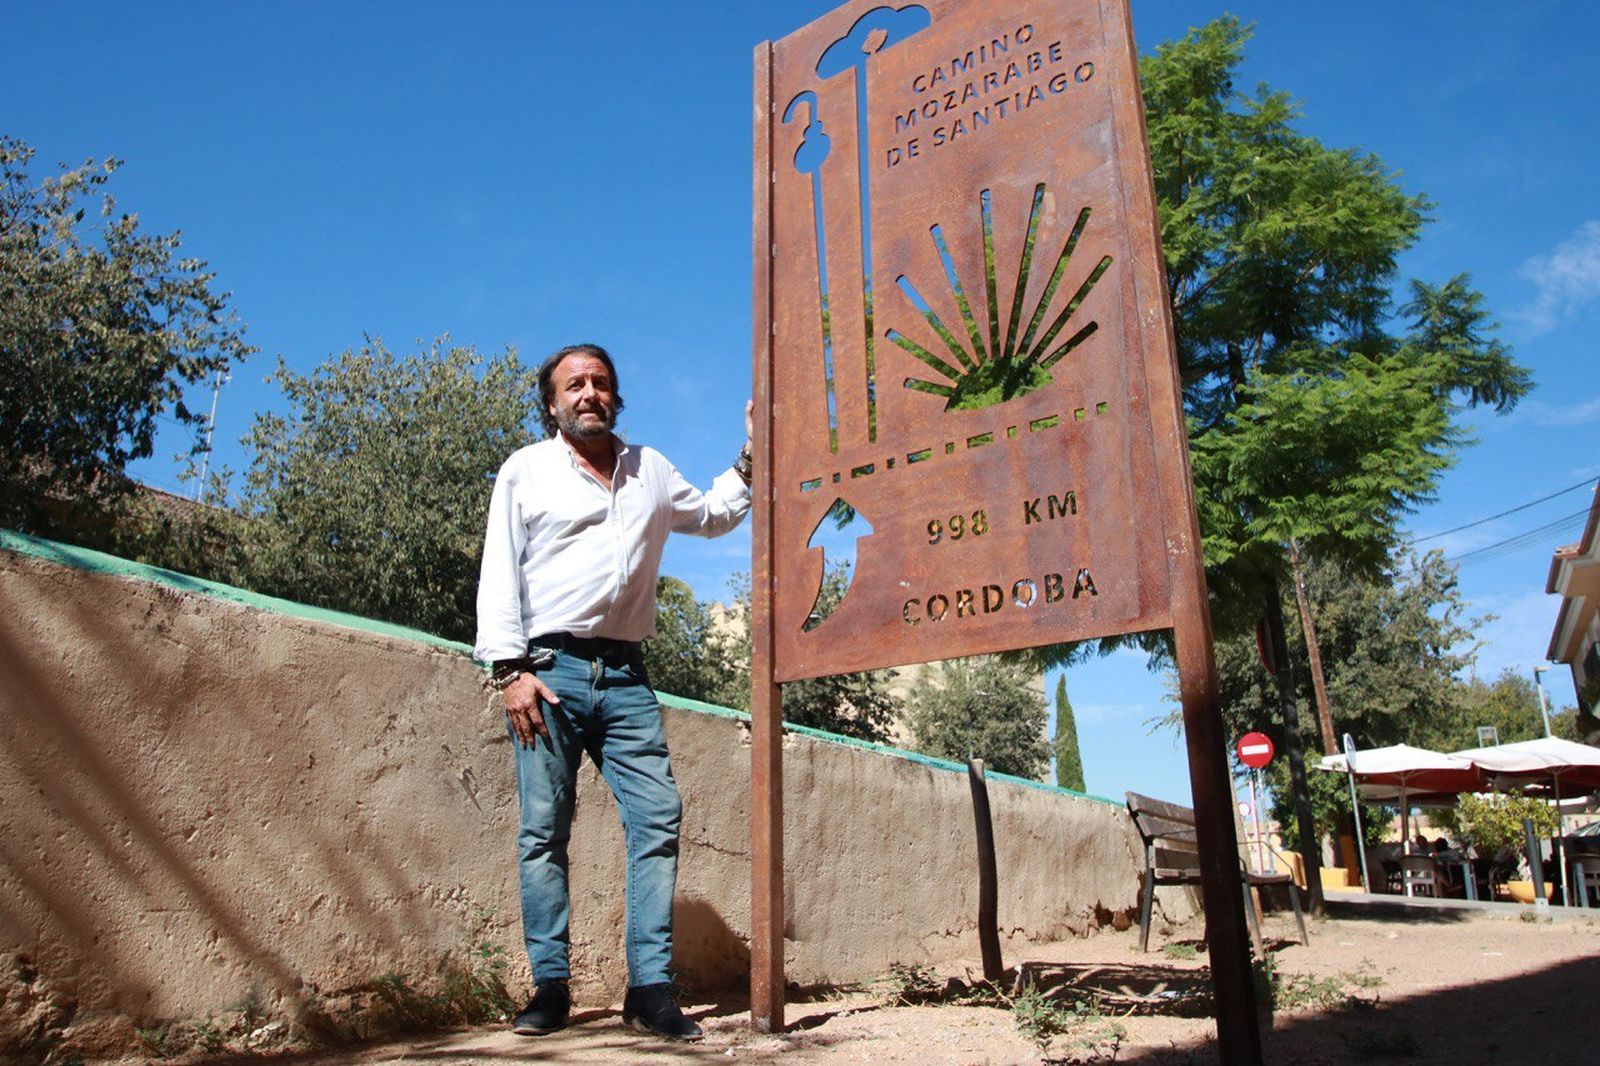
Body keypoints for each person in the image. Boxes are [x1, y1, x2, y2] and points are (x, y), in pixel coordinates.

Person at [474, 343, 751, 1041]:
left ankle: (649, 989)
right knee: (545, 828)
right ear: (552, 403)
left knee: (658, 815)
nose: (589, 393)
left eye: (600, 382)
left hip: (627, 675)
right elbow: (499, 568)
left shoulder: (649, 469)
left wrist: (752, 457)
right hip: (548, 672)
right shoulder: (525, 471)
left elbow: (712, 515)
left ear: (615, 396)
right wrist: (509, 671)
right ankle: (550, 987)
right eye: (574, 384)